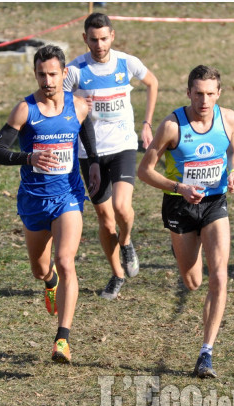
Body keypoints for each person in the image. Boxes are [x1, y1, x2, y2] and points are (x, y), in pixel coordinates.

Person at [0, 45, 101, 364]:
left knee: (66, 261)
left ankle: (62, 340)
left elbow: (86, 134)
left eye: (53, 74)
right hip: (34, 200)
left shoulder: (78, 106)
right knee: (42, 269)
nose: (47, 80)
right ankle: (49, 282)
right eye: (41, 74)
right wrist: (28, 157)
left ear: (64, 74)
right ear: (35, 74)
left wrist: (92, 164)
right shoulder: (25, 110)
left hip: (68, 196)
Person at [137, 65, 234, 378]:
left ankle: (206, 354)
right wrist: (178, 187)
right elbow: (145, 171)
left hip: (214, 204)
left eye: (210, 94)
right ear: (188, 93)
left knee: (219, 276)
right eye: (198, 93)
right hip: (179, 207)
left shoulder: (229, 119)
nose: (204, 100)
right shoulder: (171, 126)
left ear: (219, 94)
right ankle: (183, 252)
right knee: (192, 282)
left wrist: (233, 173)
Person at [63, 12, 159, 299]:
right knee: (105, 220)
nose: (99, 44)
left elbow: (153, 83)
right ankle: (117, 273)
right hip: (89, 153)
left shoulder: (126, 62)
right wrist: (79, 103)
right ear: (85, 39)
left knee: (121, 207)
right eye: (93, 39)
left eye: (104, 38)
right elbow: (62, 104)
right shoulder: (75, 70)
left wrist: (146, 123)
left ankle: (127, 240)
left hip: (123, 146)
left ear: (112, 36)